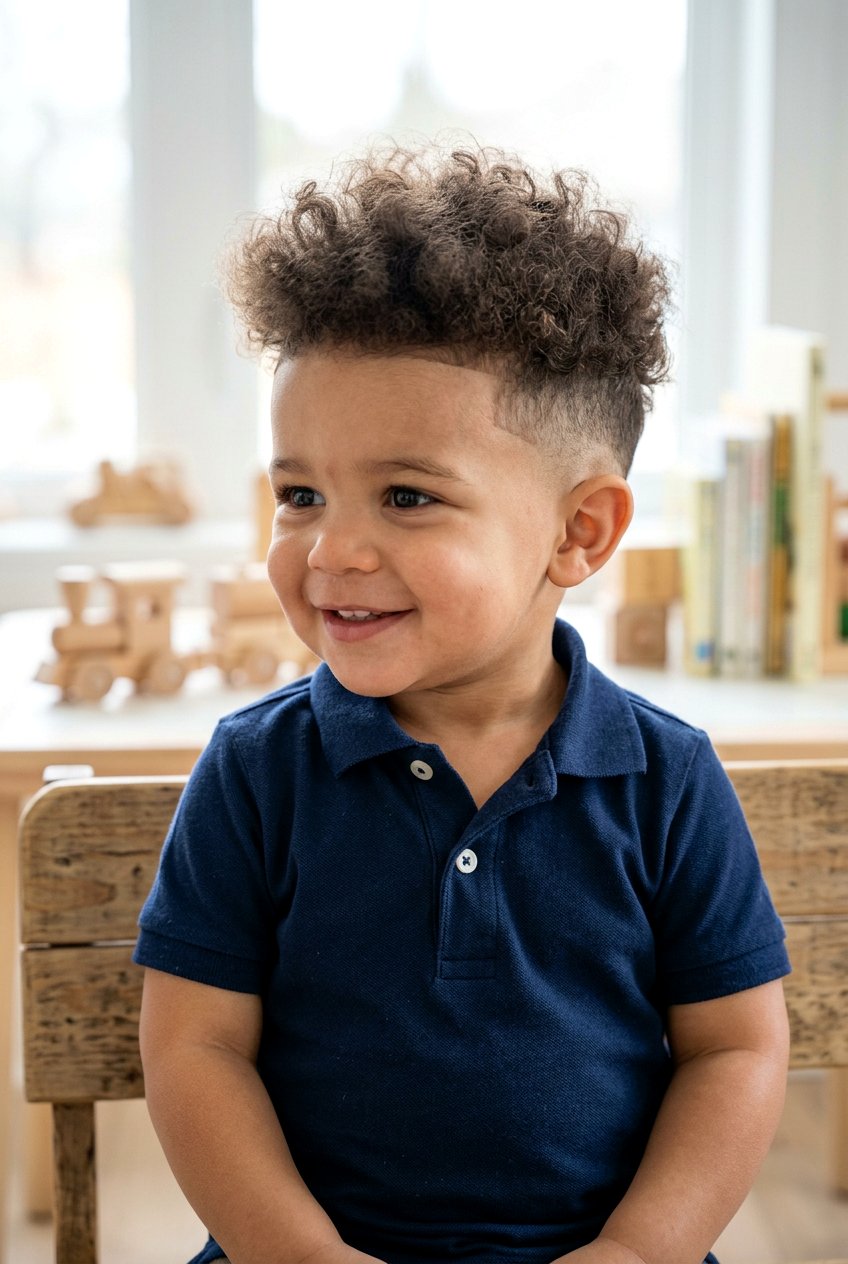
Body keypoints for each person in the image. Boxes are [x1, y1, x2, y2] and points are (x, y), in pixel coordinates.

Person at [133, 143, 791, 1264]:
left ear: (579, 532)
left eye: (405, 496)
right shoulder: (254, 772)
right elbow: (196, 1050)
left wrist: (638, 1251)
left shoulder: (665, 780)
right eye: (300, 493)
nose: (328, 548)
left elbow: (733, 1050)